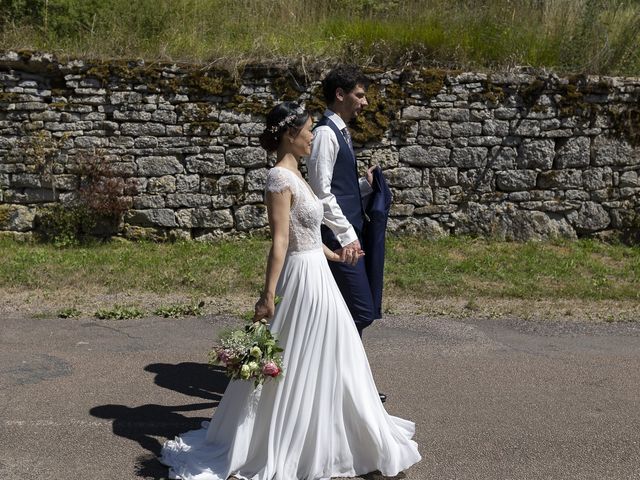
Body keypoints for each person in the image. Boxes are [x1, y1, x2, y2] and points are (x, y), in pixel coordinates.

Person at [159, 102, 421, 480]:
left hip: (319, 274)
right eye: (308, 131)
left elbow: (309, 237)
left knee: (334, 354)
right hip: (300, 281)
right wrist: (267, 296)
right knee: (298, 356)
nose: (313, 137)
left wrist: (338, 254)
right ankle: (288, 439)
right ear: (288, 135)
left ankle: (338, 435)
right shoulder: (278, 180)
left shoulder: (298, 176)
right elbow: (281, 242)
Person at [307, 65, 379, 338]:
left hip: (347, 233)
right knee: (360, 310)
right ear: (340, 94)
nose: (365, 102)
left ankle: (345, 376)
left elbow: (338, 187)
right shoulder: (325, 134)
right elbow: (320, 192)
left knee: (348, 308)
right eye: (359, 95)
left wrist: (364, 186)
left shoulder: (341, 132)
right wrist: (348, 236)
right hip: (337, 236)